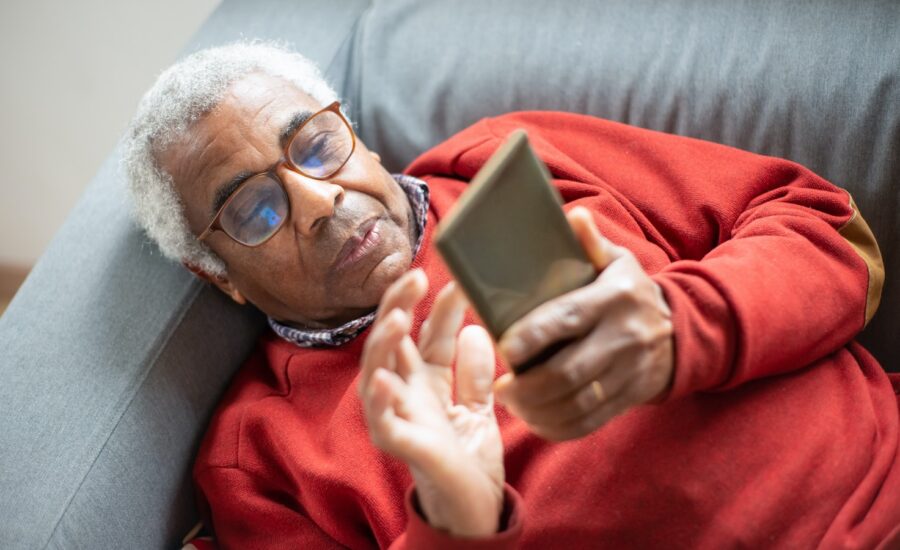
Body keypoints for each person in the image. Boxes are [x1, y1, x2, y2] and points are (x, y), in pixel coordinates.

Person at [123, 42, 899, 549]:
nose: (320, 201)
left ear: (356, 133)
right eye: (254, 210)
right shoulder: (259, 457)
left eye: (317, 146)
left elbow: (831, 231)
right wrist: (456, 522)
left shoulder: (501, 157)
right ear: (215, 274)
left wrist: (682, 324)